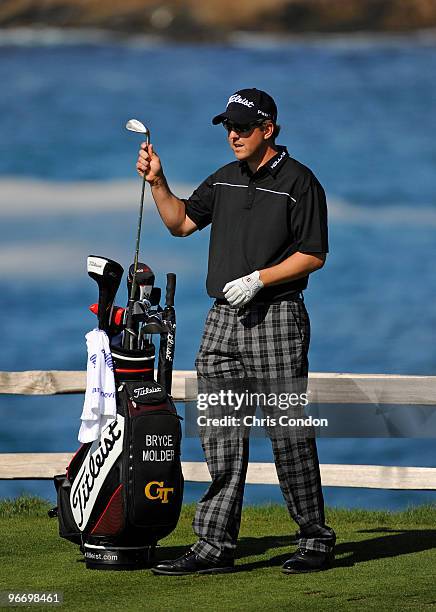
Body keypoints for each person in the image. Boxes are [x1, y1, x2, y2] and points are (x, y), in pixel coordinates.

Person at [136, 88, 336, 575]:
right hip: (222, 321)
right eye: (229, 126)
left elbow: (314, 253)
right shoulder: (224, 180)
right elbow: (181, 222)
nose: (233, 135)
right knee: (220, 434)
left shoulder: (300, 182)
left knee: (288, 434)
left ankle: (314, 537)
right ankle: (214, 544)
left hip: (278, 319)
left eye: (243, 127)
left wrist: (259, 279)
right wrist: (159, 182)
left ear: (268, 129)